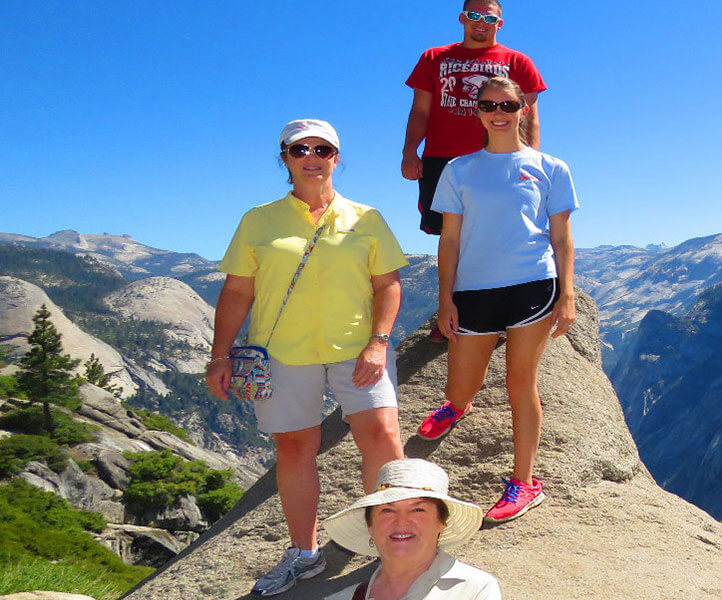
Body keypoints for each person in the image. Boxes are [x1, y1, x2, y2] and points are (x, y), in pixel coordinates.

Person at [206, 119, 408, 596]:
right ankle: (305, 553)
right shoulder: (259, 220)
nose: (312, 157)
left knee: (381, 436)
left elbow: (388, 284)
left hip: (357, 347)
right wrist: (220, 355)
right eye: (300, 150)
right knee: (295, 448)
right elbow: (237, 291)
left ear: (337, 158)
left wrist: (379, 340)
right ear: (285, 158)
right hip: (283, 353)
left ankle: (398, 543)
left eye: (323, 149)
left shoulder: (366, 217)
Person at [416, 76, 577, 524]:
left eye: (508, 103)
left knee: (520, 385)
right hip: (474, 290)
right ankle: (458, 405)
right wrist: (444, 299)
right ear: (478, 112)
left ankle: (524, 483)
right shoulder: (460, 169)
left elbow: (562, 236)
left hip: (532, 285)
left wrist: (566, 294)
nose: (498, 111)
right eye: (488, 105)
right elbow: (449, 240)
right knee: (459, 387)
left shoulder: (551, 167)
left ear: (523, 107)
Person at [402, 0, 547, 237]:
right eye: (474, 16)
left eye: (489, 18)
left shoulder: (519, 62)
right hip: (442, 160)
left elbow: (529, 117)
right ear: (462, 18)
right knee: (448, 233)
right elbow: (420, 111)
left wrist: (531, 161)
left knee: (501, 231)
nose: (482, 23)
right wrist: (409, 152)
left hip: (499, 159)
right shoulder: (433, 57)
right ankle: (451, 277)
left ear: (499, 24)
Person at [323, 459, 498, 600]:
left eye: (418, 510)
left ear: (442, 522)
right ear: (370, 525)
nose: (401, 522)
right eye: (387, 510)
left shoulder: (474, 589)